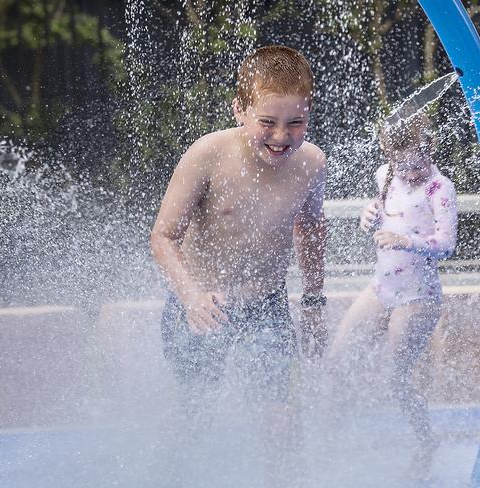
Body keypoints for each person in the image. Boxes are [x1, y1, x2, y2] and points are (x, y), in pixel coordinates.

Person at [150, 45, 328, 486]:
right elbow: (163, 236)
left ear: (309, 114)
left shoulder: (311, 164)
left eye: (296, 123)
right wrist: (190, 296)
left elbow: (310, 230)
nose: (281, 136)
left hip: (267, 306)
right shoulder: (207, 155)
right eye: (267, 122)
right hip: (201, 307)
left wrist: (314, 300)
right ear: (239, 110)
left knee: (281, 419)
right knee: (196, 415)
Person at [328, 115, 458, 478]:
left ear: (427, 148)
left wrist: (408, 242)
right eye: (402, 165)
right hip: (381, 288)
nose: (410, 173)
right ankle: (333, 435)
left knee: (396, 376)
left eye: (416, 163)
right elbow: (383, 216)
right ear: (389, 154)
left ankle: (425, 441)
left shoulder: (439, 188)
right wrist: (367, 215)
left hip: (418, 297)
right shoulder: (386, 174)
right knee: (338, 357)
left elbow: (447, 245)